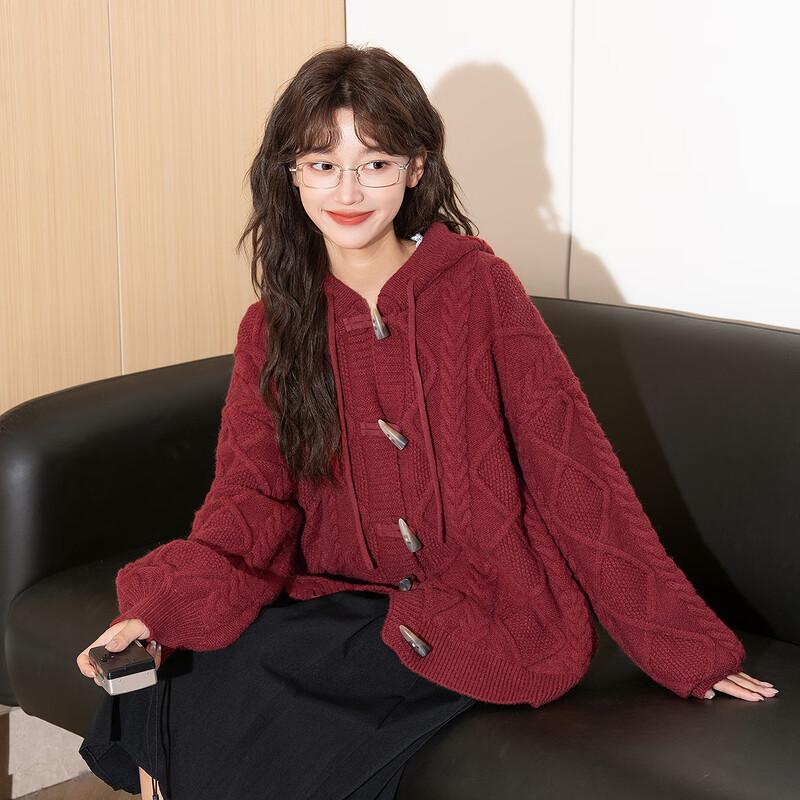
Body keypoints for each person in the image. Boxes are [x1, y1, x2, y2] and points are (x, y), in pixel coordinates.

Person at [75, 44, 777, 800]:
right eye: (322, 164)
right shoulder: (273, 326)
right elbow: (250, 499)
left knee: (263, 694)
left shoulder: (480, 291)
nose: (348, 190)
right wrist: (160, 610)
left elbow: (574, 474)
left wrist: (685, 648)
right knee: (178, 673)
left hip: (485, 603)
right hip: (335, 594)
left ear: (415, 169)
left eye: (374, 163)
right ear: (291, 175)